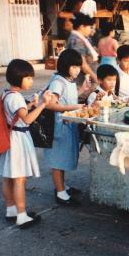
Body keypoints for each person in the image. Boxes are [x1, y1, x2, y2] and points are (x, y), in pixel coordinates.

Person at [0, 59, 52, 228]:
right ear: (18, 78)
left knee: (8, 176)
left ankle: (11, 210)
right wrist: (42, 105)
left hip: (9, 137)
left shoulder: (6, 94)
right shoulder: (16, 98)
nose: (31, 81)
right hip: (18, 140)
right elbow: (27, 119)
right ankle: (22, 216)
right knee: (19, 179)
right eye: (28, 78)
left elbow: (17, 113)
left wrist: (31, 104)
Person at [45, 49, 89, 206]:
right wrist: (73, 107)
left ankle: (63, 186)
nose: (78, 70)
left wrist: (82, 90)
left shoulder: (68, 80)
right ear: (65, 66)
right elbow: (50, 103)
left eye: (79, 67)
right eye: (74, 67)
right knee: (57, 159)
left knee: (63, 157)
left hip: (67, 125)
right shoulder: (58, 82)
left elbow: (66, 96)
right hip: (59, 127)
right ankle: (60, 192)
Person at [66, 12, 99, 87]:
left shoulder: (81, 38)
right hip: (81, 81)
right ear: (81, 27)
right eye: (89, 27)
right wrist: (96, 79)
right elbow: (83, 64)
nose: (90, 30)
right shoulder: (77, 41)